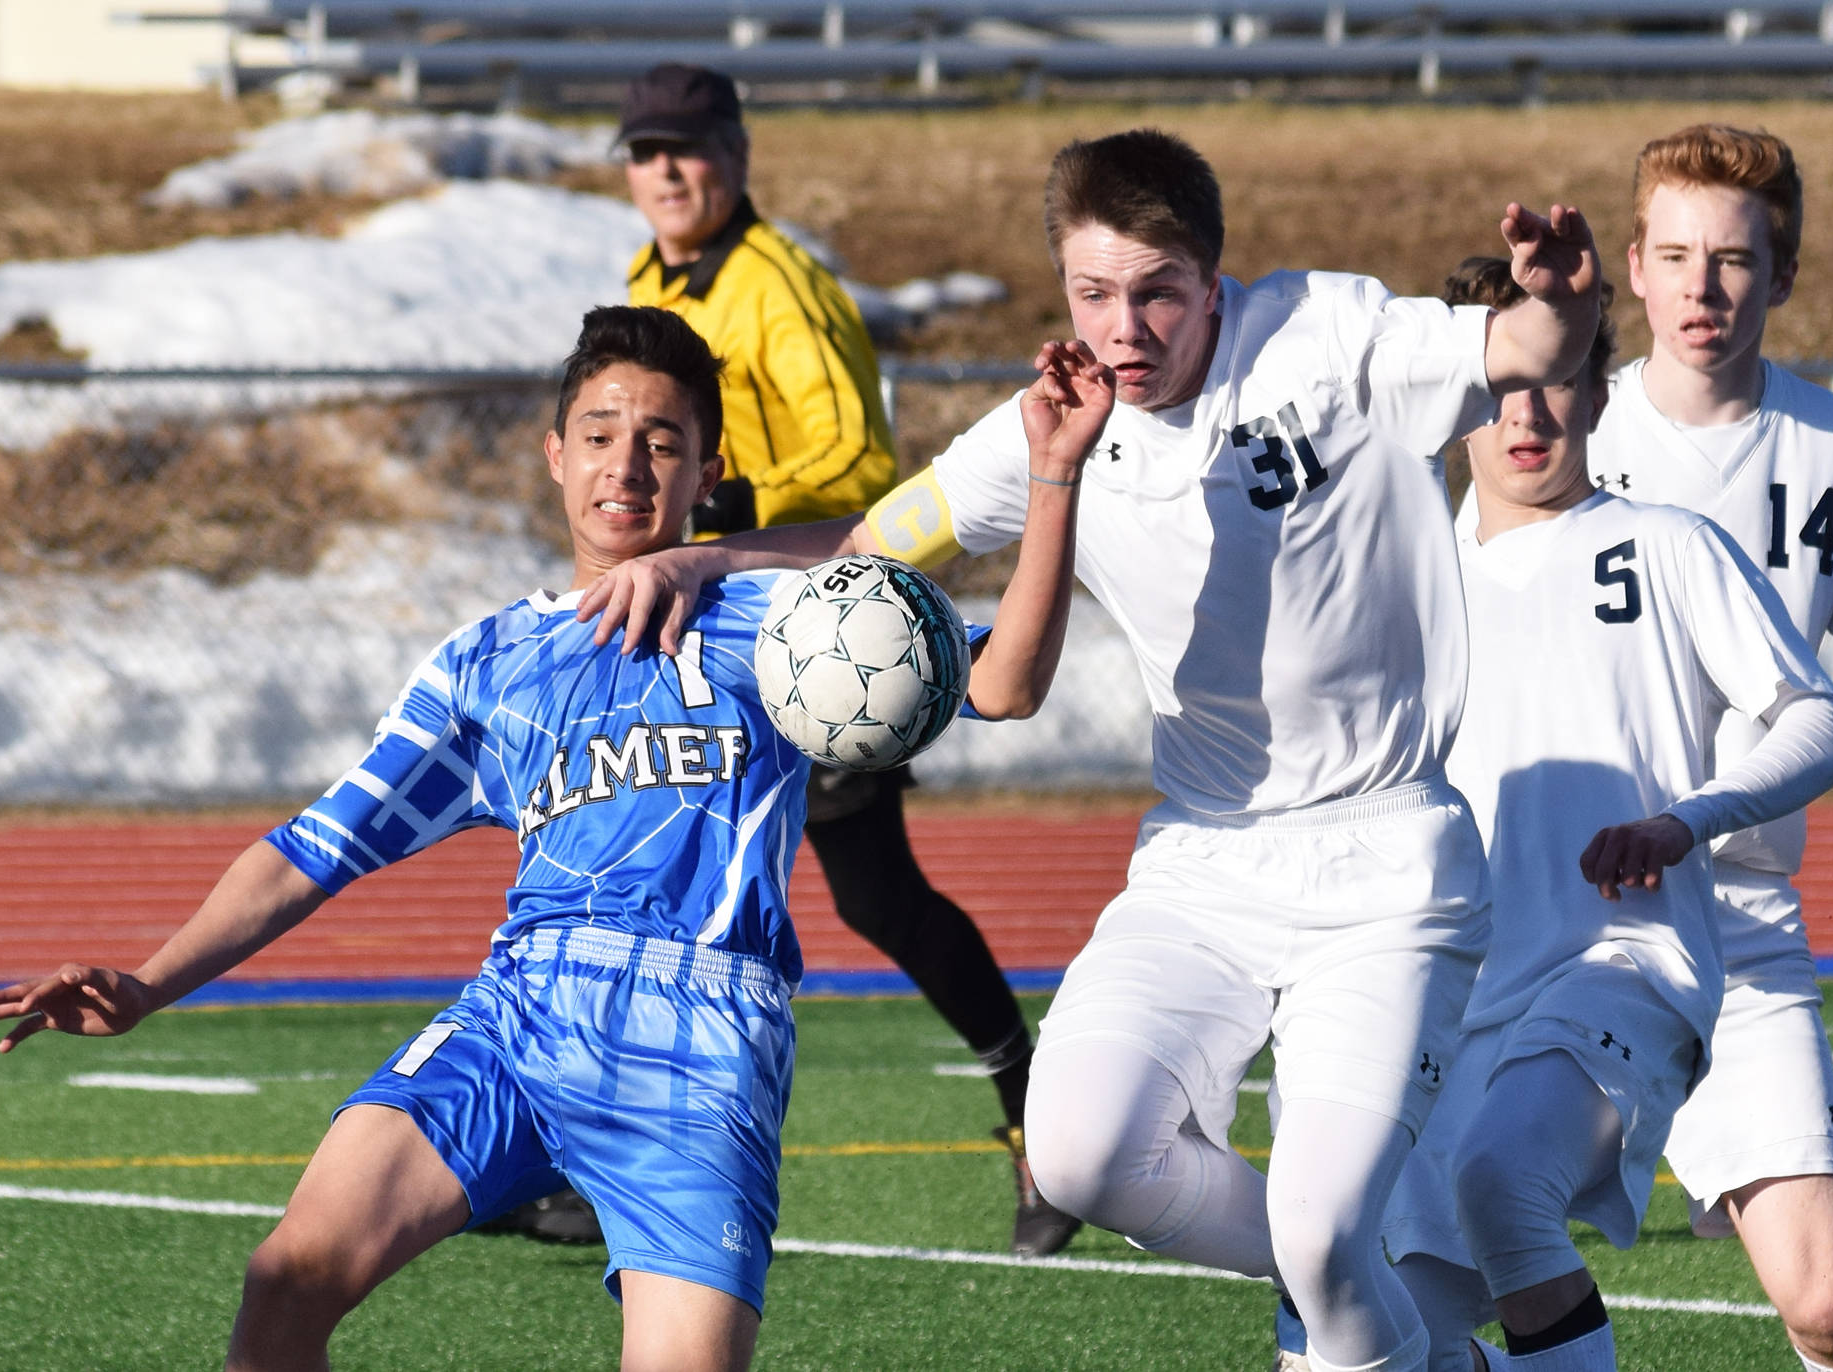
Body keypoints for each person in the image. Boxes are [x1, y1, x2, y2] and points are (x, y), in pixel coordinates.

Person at [577, 128, 1603, 1372]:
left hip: (1386, 866)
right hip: (1201, 861)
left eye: (1157, 293)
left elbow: (1523, 351)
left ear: (1212, 285)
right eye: (1092, 293)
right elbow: (871, 538)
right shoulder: (1045, 431)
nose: (1125, 327)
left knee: (1330, 1241)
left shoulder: (1324, 337)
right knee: (1076, 1149)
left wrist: (1557, 296)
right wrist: (703, 557)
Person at [0, 304, 1112, 1372]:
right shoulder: (487, 662)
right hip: (520, 1013)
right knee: (287, 1280)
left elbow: (1005, 683)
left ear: (707, 471)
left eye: (662, 440)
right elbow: (314, 845)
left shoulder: (779, 623)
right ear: (554, 453)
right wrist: (148, 981)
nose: (627, 464)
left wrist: (1053, 476)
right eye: (601, 432)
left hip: (702, 1038)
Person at [496, 59, 1083, 1258]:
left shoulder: (779, 285)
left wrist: (711, 519)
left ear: (736, 153)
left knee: (873, 897)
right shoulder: (654, 282)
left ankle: (1039, 1118)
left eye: (688, 146)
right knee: (630, 864)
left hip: (792, 638)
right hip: (681, 621)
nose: (664, 169)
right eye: (643, 148)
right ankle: (570, 1150)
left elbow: (866, 477)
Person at [1367, 257, 1833, 1372]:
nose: (1526, 413)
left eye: (1556, 378)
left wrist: (1690, 816)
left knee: (1504, 1186)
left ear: (1598, 391)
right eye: (1498, 384)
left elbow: (1816, 719)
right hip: (1448, 1004)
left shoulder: (1666, 545)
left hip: (1621, 966)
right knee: (1353, 1341)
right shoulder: (1402, 588)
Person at [1586, 123, 1833, 1372]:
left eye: (1732, 260)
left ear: (1782, 272)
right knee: (1410, 1254)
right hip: (1557, 922)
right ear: (1635, 272)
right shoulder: (1549, 438)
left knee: (1825, 1306)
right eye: (1674, 255)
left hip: (1740, 919)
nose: (1701, 287)